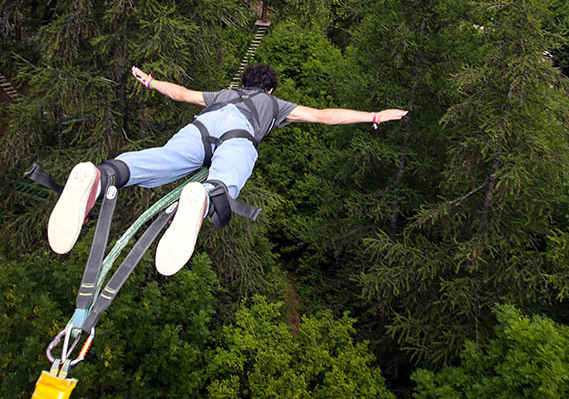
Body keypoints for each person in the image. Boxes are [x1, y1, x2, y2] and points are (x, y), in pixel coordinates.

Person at [47, 64, 407, 276]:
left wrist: (152, 82)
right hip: (238, 135)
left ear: (244, 82)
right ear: (267, 87)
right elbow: (325, 117)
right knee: (228, 175)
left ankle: (100, 175)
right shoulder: (274, 103)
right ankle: (204, 198)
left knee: (158, 160)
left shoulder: (223, 94)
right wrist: (374, 116)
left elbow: (181, 94)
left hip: (199, 130)